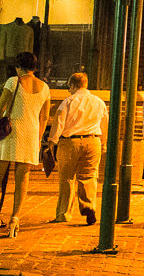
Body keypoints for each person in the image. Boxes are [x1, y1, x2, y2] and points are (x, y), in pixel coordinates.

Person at [0, 51, 49, 239]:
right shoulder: (45, 87)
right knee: (22, 180)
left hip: (10, 133)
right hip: (31, 135)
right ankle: (15, 219)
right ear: (34, 67)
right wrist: (38, 137)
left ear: (19, 67)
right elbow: (44, 117)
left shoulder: (13, 81)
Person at [43, 72, 104, 227]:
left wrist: (52, 141)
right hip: (93, 140)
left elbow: (59, 123)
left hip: (70, 142)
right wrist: (102, 143)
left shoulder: (68, 102)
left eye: (69, 87)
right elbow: (105, 123)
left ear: (73, 85)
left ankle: (63, 213)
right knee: (89, 177)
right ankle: (88, 207)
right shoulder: (98, 102)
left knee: (67, 179)